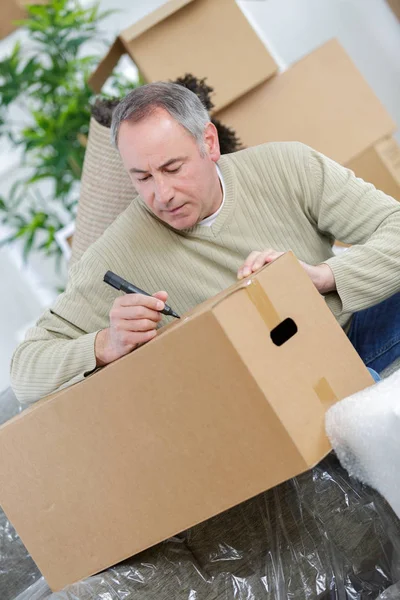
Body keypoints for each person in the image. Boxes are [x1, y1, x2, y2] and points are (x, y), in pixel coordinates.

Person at [10, 82, 400, 403]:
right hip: (272, 395)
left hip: (352, 331)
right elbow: (25, 371)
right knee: (351, 391)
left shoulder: (288, 166)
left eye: (172, 168)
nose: (161, 193)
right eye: (142, 178)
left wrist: (321, 276)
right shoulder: (114, 256)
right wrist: (104, 343)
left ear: (209, 143)